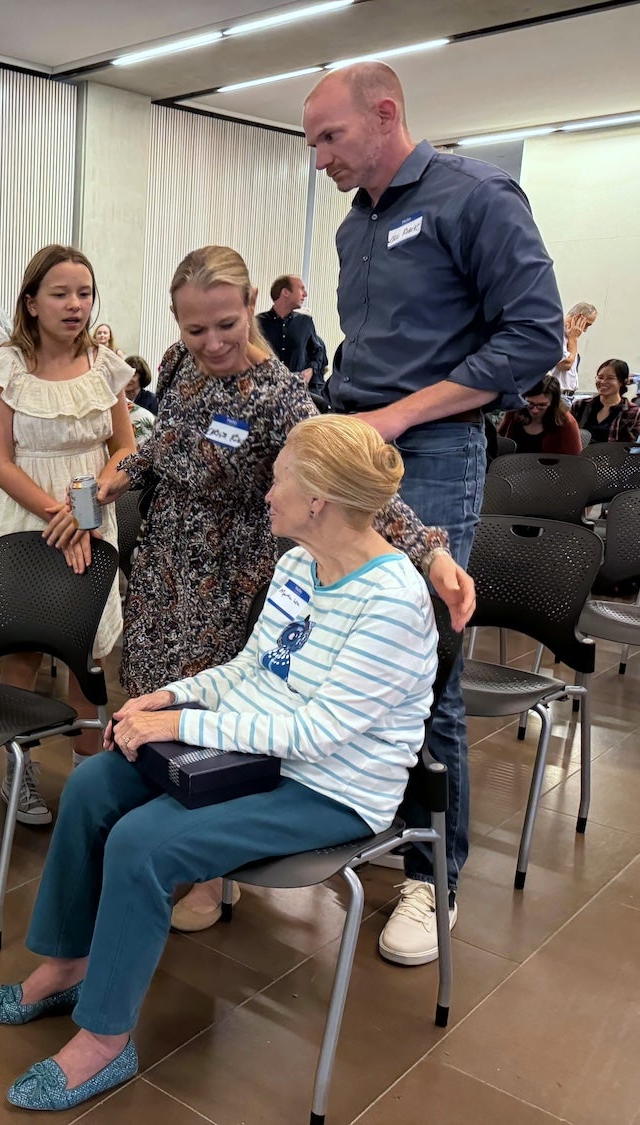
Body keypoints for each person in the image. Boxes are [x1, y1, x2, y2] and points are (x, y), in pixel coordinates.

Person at [0, 415, 439, 1112]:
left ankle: (105, 1037)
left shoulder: (393, 599)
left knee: (144, 839)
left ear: (320, 501)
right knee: (98, 781)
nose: (266, 493)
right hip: (259, 754)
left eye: (279, 478)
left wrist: (182, 723)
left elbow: (317, 731)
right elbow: (257, 669)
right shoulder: (298, 564)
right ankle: (68, 962)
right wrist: (170, 693)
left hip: (329, 788)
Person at [96, 245, 469, 933]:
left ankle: (207, 880)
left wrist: (429, 551)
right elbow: (163, 441)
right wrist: (125, 467)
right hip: (167, 567)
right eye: (194, 329)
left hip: (234, 576)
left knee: (217, 727)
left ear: (251, 311)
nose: (211, 342)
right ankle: (162, 857)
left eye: (225, 325)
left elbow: (349, 480)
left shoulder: (279, 394)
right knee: (155, 698)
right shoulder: (177, 369)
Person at [304, 61, 563, 964]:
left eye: (330, 138)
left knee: (427, 664)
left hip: (436, 448)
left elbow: (535, 335)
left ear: (385, 116)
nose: (320, 157)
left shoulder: (475, 196)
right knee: (352, 649)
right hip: (356, 445)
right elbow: (369, 348)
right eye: (312, 143)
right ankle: (387, 823)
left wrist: (405, 413)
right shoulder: (353, 228)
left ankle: (435, 872)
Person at [0, 244, 137, 825]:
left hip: (94, 512)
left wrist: (86, 510)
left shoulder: (106, 365)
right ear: (31, 302)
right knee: (21, 647)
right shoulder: (4, 368)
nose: (76, 305)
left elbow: (125, 449)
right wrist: (59, 515)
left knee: (89, 652)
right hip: (29, 517)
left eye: (85, 293)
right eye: (61, 293)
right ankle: (17, 777)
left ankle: (86, 783)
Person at [256, 274, 328, 394]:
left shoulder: (305, 322)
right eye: (301, 288)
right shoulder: (258, 323)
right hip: (267, 393)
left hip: (300, 393)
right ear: (285, 292)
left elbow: (318, 352)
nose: (305, 294)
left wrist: (311, 370)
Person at [497, 375, 582, 454]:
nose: (535, 410)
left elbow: (573, 462)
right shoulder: (515, 410)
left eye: (542, 405)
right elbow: (500, 441)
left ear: (553, 404)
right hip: (512, 467)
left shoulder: (567, 423)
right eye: (530, 403)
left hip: (550, 469)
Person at [572, 359, 640, 444]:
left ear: (623, 382)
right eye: (600, 377)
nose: (603, 382)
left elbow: (629, 446)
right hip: (578, 456)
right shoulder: (580, 405)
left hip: (612, 456)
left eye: (610, 378)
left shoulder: (633, 412)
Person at [554, 302, 598, 396]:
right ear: (578, 317)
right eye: (587, 324)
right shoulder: (556, 333)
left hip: (567, 395)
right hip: (557, 395)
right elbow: (566, 364)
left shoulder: (567, 336)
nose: (585, 330)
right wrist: (573, 339)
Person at [121, 355, 157, 444]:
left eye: (133, 375)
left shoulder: (152, 401)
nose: (128, 378)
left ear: (142, 377)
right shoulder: (117, 401)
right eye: (125, 374)